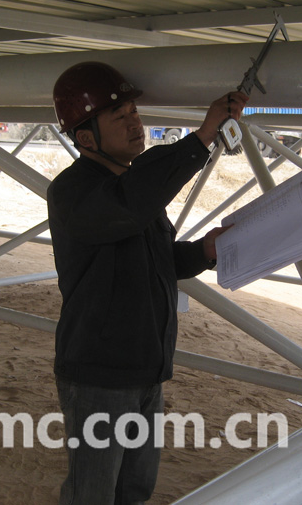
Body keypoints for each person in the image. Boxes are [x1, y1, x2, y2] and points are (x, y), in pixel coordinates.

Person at [47, 61, 248, 505]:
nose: (134, 123)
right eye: (119, 117)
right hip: (100, 375)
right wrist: (202, 137)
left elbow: (155, 259)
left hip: (144, 370)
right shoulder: (73, 191)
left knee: (134, 489)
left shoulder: (133, 189)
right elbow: (129, 205)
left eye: (134, 112)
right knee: (92, 493)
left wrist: (204, 251)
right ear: (86, 139)